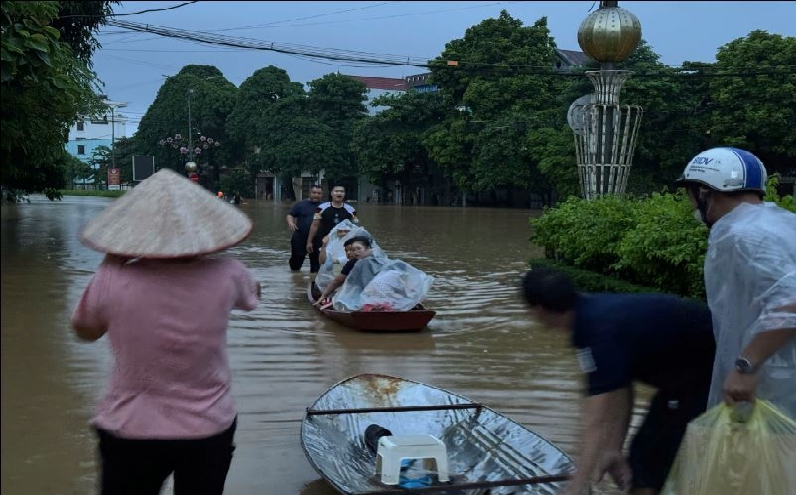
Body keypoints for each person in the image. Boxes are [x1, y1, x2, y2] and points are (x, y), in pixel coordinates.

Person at [70, 168, 261, 495]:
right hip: (208, 427)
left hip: (130, 429)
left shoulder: (111, 278)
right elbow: (251, 296)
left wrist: (112, 261)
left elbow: (85, 331)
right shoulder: (230, 274)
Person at [521, 267, 715, 495]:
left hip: (710, 375)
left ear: (539, 310)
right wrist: (613, 448)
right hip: (685, 380)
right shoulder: (590, 314)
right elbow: (620, 387)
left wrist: (579, 483)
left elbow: (596, 420)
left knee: (646, 466)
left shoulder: (599, 333)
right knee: (642, 459)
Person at [676, 146, 796, 420]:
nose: (691, 204)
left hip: (776, 390)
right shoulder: (784, 223)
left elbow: (791, 298)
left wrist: (746, 366)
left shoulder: (743, 235)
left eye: (690, 194)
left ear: (705, 191)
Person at [306, 185, 358, 282]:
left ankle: (338, 283)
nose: (339, 193)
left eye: (341, 191)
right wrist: (309, 241)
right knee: (322, 264)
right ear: (331, 193)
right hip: (325, 241)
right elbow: (315, 225)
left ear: (344, 194)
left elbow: (355, 227)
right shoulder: (321, 208)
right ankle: (319, 283)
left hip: (344, 242)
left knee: (340, 264)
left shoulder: (351, 209)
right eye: (336, 191)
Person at [313, 236, 373, 306]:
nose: (349, 253)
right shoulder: (341, 261)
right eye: (347, 251)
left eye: (351, 250)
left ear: (367, 249)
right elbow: (337, 280)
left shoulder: (361, 260)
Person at [286, 184, 323, 273]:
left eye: (319, 193)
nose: (316, 195)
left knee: (316, 266)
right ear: (309, 193)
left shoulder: (325, 206)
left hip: (318, 239)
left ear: (322, 195)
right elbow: (290, 214)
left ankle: (313, 283)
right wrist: (291, 223)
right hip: (299, 238)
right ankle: (296, 281)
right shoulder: (300, 204)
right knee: (296, 263)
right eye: (314, 193)